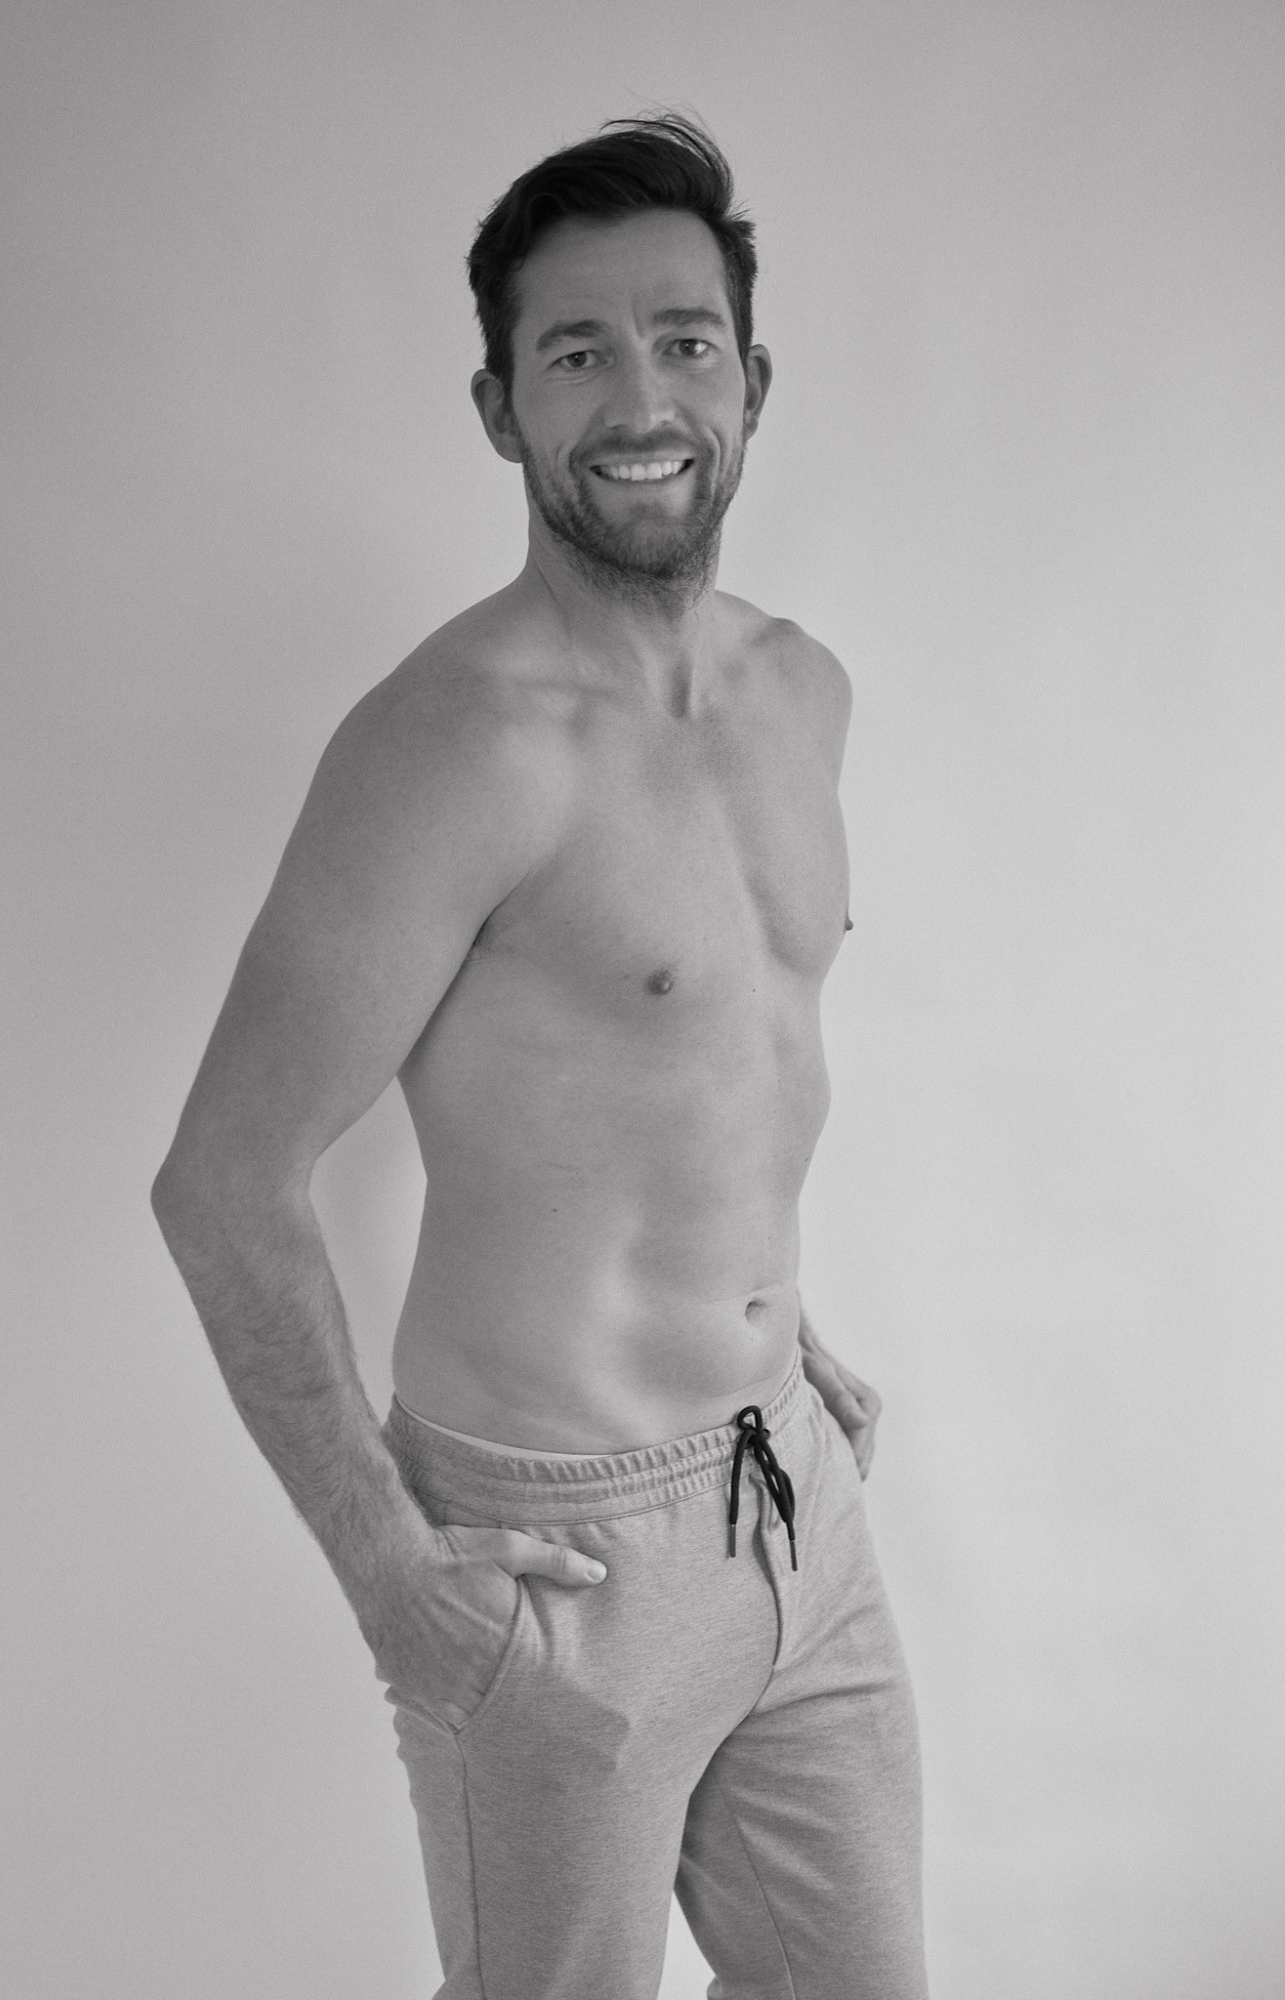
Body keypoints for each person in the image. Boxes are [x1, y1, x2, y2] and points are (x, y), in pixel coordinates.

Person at [152, 113, 927, 2000]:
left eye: (682, 340)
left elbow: (702, 1060)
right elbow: (222, 1184)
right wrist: (392, 1576)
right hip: (557, 1565)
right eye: (575, 352)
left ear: (751, 382)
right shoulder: (448, 747)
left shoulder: (802, 689)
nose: (640, 399)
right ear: (500, 409)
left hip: (795, 1499)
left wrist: (779, 1326)